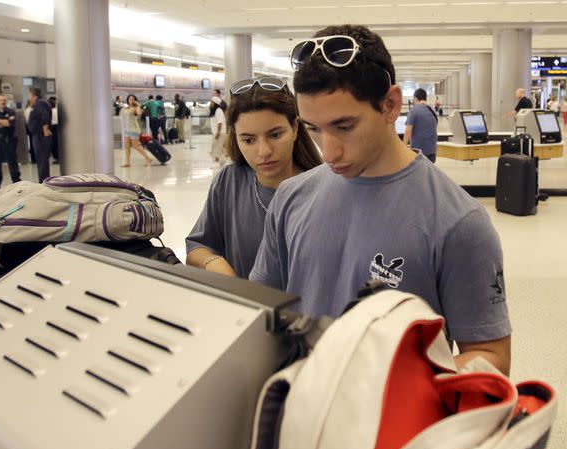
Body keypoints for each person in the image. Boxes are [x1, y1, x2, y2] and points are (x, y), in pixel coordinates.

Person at [250, 25, 511, 375]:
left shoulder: (458, 222)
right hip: (299, 415)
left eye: (344, 126)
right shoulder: (290, 198)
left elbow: (490, 359)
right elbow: (259, 311)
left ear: (390, 105)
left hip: (397, 424)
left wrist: (381, 386)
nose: (327, 152)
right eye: (313, 128)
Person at [186, 76, 323, 278]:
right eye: (249, 140)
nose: (264, 151)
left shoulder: (323, 189)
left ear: (294, 128)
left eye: (275, 135)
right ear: (236, 137)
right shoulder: (229, 181)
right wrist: (216, 264)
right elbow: (198, 247)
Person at [0, 95, 21, 190]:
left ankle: (16, 180)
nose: (2, 102)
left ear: (6, 102)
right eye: (0, 100)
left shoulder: (11, 112)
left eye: (4, 100)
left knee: (12, 161)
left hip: (9, 140)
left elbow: (10, 124)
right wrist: (4, 122)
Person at [403, 88, 439, 163]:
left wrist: (403, 146)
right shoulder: (433, 111)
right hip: (432, 152)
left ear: (416, 99)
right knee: (428, 173)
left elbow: (408, 130)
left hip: (419, 153)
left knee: (419, 174)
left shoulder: (413, 111)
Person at [27, 87, 53, 183]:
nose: (29, 98)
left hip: (40, 135)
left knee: (42, 159)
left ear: (33, 95)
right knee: (42, 159)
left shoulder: (39, 103)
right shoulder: (42, 102)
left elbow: (44, 116)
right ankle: (44, 179)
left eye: (29, 95)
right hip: (39, 134)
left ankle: (43, 181)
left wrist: (45, 129)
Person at [119, 94, 152, 168]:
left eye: (133, 99)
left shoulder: (135, 108)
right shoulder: (126, 108)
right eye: (130, 99)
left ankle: (148, 158)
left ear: (135, 100)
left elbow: (139, 113)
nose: (131, 100)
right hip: (127, 129)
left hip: (134, 130)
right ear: (128, 100)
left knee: (135, 146)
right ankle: (128, 162)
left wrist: (138, 106)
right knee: (126, 146)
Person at [209, 96, 226, 164]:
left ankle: (217, 162)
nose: (210, 103)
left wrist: (218, 132)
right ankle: (219, 161)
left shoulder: (218, 111)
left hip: (220, 132)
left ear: (215, 103)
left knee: (216, 147)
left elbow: (220, 123)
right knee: (219, 148)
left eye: (212, 102)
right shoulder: (215, 111)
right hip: (217, 132)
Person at [48, 96, 60, 164]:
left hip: (52, 127)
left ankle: (56, 157)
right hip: (58, 126)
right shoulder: (57, 110)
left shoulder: (50, 111)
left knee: (53, 143)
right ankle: (58, 157)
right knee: (58, 143)